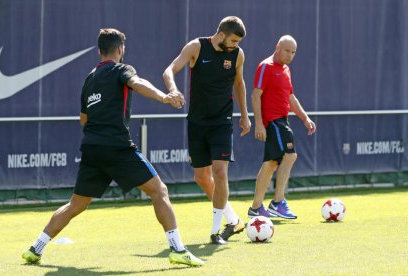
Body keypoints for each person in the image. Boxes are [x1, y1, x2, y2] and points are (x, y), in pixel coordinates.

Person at [22, 28, 204, 267]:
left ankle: (36, 248)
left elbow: (83, 119)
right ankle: (178, 249)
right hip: (116, 147)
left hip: (92, 147)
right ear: (120, 50)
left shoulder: (90, 78)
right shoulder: (122, 69)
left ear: (99, 51)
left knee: (76, 204)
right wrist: (165, 97)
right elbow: (137, 83)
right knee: (159, 191)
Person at [163, 16, 251, 245]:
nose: (235, 45)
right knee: (202, 177)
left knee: (220, 171)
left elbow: (239, 84)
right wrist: (172, 90)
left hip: (222, 122)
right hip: (197, 122)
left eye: (238, 42)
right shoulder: (196, 47)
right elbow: (169, 71)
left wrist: (244, 114)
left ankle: (215, 231)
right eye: (233, 40)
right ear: (221, 34)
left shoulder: (237, 55)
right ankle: (234, 220)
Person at [248, 35, 316, 220]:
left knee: (271, 162)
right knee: (290, 155)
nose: (290, 55)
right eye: (287, 50)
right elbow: (255, 96)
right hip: (273, 122)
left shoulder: (286, 70)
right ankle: (277, 202)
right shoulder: (265, 66)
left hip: (282, 121)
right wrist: (259, 124)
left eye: (293, 52)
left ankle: (256, 207)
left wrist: (305, 117)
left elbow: (291, 98)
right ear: (277, 47)